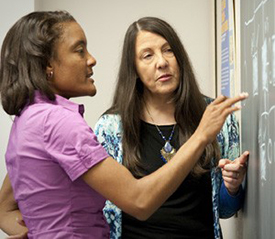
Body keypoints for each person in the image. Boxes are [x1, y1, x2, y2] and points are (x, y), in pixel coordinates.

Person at [0, 11, 247, 238]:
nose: (92, 59)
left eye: (168, 50)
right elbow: (139, 200)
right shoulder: (63, 123)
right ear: (48, 66)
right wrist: (201, 135)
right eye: (79, 50)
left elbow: (12, 207)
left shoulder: (30, 118)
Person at [93, 17, 249, 239]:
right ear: (134, 69)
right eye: (148, 55)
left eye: (168, 50)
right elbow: (103, 208)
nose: (161, 62)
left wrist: (232, 186)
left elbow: (224, 210)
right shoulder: (111, 127)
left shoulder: (215, 116)